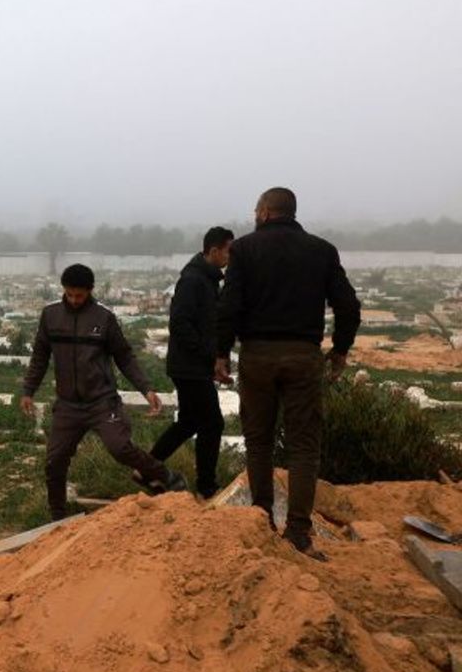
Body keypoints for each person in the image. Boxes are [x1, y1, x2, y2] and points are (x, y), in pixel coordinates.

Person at [216, 187, 360, 560]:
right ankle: (298, 531)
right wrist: (340, 349)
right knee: (304, 447)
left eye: (256, 209)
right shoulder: (322, 251)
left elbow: (229, 306)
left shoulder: (243, 250)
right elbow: (348, 304)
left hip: (257, 356)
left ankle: (261, 521)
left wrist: (219, 352)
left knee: (259, 441)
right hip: (303, 356)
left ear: (265, 212)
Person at [21, 264, 186, 521]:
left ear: (90, 291)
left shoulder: (103, 318)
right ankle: (58, 518)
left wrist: (146, 388)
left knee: (120, 448)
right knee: (54, 461)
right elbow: (40, 356)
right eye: (70, 294)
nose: (74, 300)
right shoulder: (50, 315)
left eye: (80, 295)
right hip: (67, 405)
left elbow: (125, 357)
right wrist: (28, 390)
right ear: (63, 290)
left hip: (101, 402)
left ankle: (166, 476)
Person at [149, 227, 235, 499]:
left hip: (194, 365)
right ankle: (207, 487)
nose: (229, 257)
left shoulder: (207, 280)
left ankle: (146, 468)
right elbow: (180, 323)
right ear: (214, 250)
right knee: (212, 423)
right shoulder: (193, 280)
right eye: (228, 251)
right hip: (189, 366)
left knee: (188, 422)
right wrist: (208, 358)